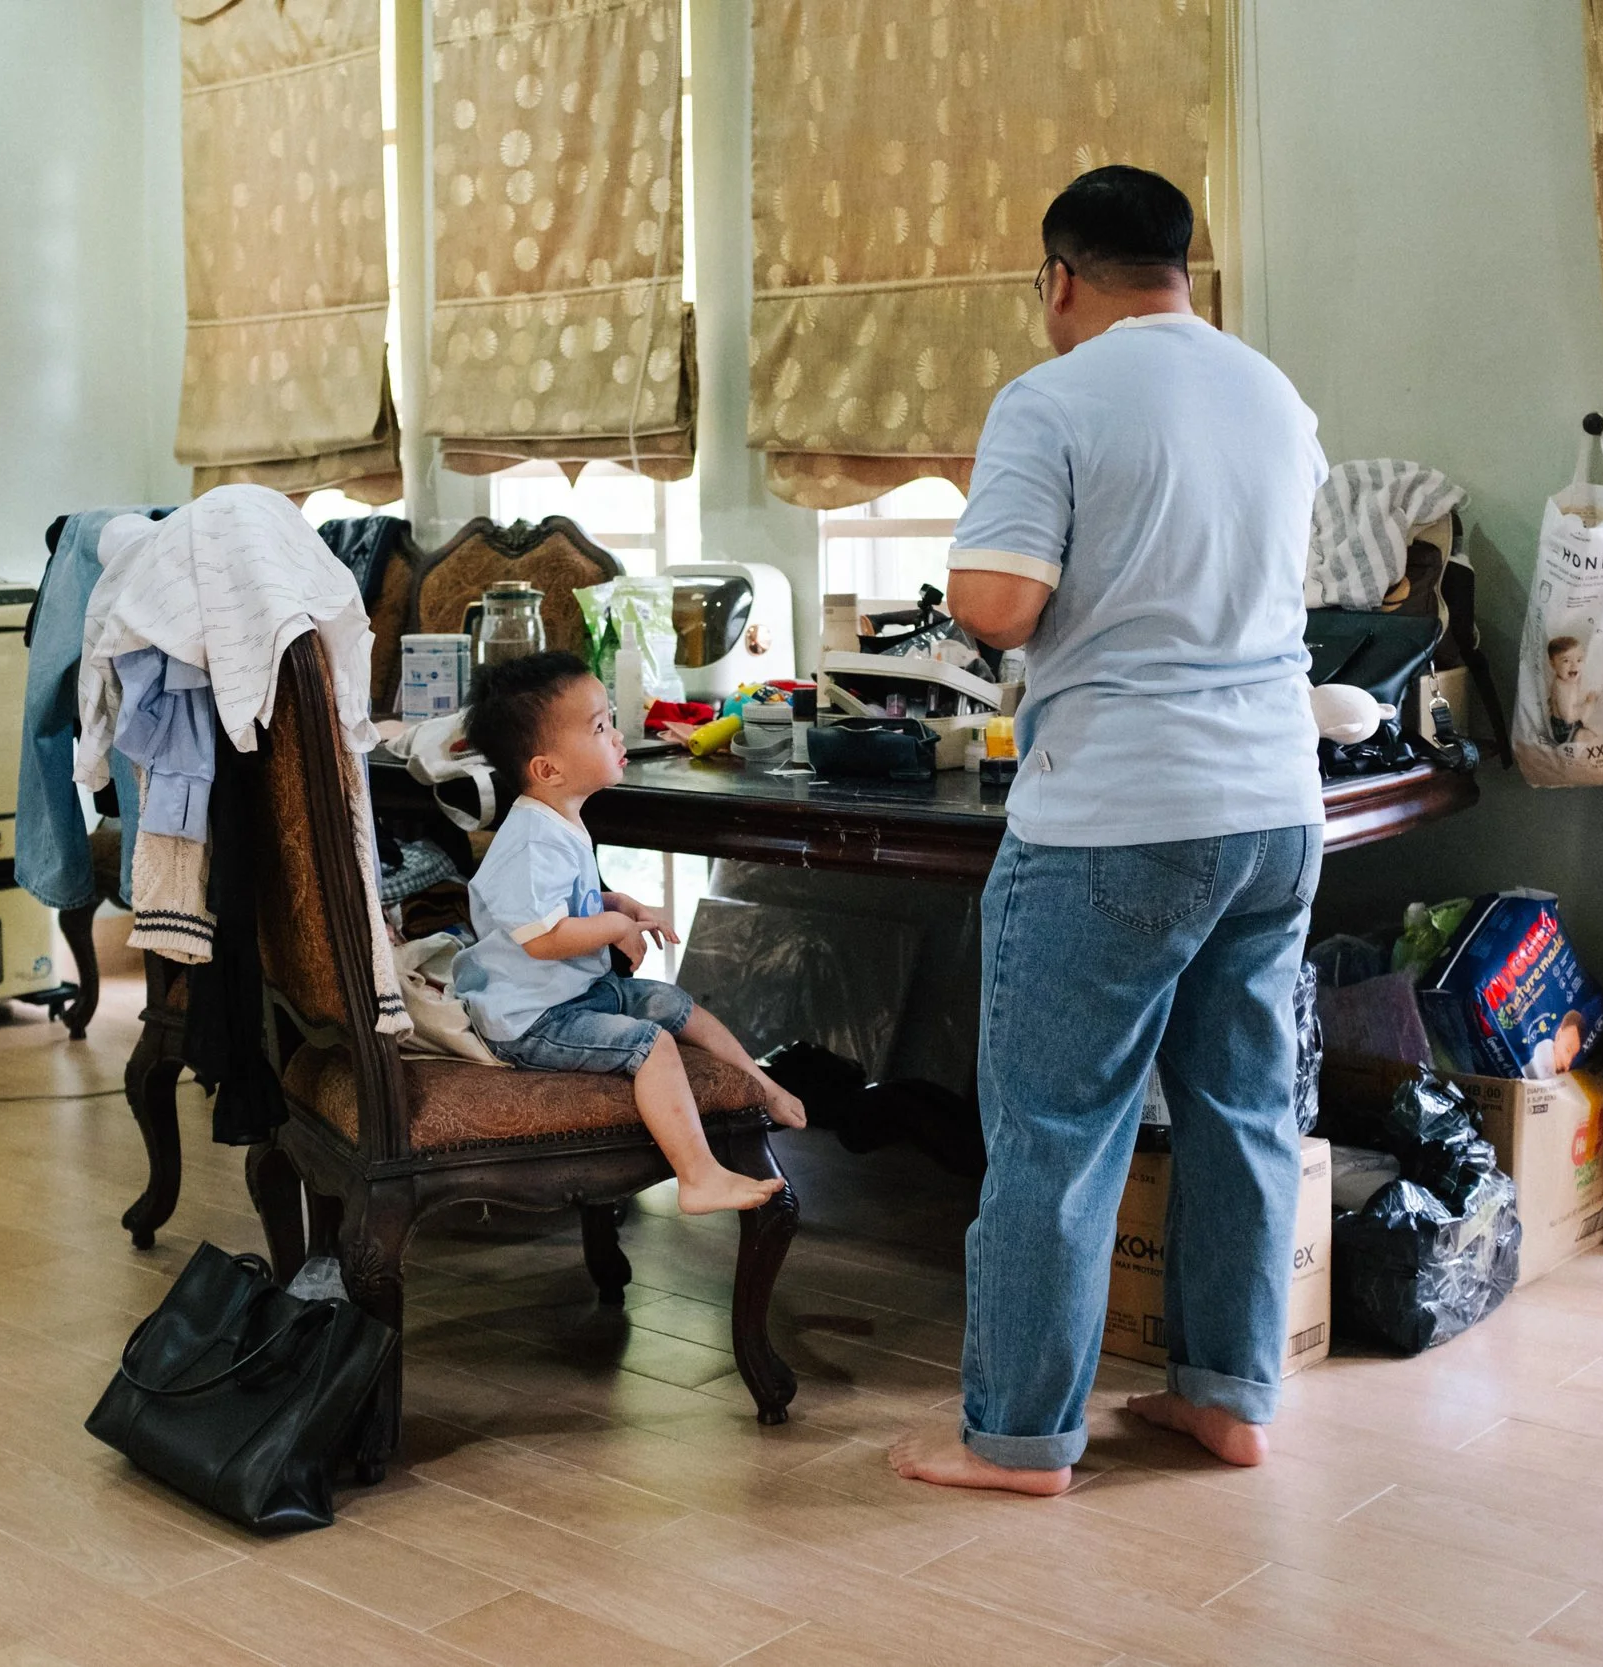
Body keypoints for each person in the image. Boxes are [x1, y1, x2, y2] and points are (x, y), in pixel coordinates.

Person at [889, 166, 1328, 1494]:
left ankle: (1017, 1435)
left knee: (1058, 1128)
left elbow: (1003, 602)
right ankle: (1227, 1396)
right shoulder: (1273, 394)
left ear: (1060, 279)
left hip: (1119, 816)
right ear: (1187, 269)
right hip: (1274, 805)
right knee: (1243, 1107)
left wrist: (977, 573)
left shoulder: (1054, 396)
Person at [452, 652, 808, 1212]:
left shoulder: (559, 819)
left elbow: (572, 901)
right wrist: (614, 925)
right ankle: (697, 1176)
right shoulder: (528, 842)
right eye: (599, 727)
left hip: (573, 993)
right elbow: (542, 938)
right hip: (532, 1020)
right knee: (651, 1044)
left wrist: (622, 904)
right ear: (547, 769)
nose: (616, 736)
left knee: (673, 1002)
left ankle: (760, 1087)